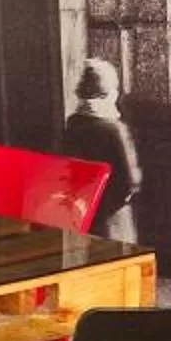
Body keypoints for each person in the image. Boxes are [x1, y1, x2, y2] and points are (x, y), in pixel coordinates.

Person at [60, 59, 143, 244]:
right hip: (112, 219)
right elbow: (130, 181)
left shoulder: (73, 123)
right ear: (108, 92)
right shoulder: (114, 129)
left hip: (82, 214)